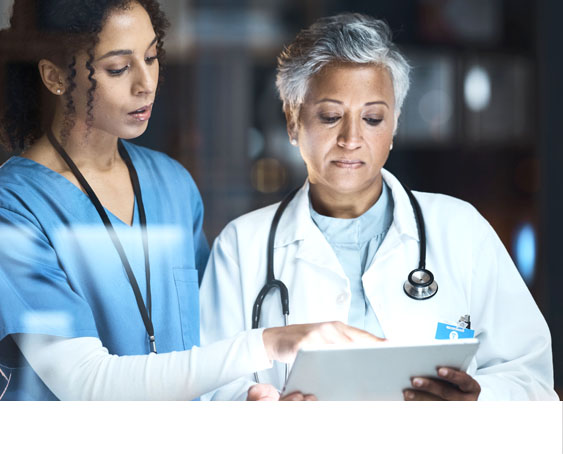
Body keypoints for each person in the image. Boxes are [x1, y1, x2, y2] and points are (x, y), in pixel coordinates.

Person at [0, 0, 380, 401]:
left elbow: (202, 347)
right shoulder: (8, 212)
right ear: (55, 77)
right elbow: (84, 383)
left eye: (152, 57)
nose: (146, 83)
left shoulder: (171, 183)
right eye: (119, 68)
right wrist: (268, 343)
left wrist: (242, 398)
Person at [200, 13, 556, 401]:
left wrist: (476, 401)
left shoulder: (461, 230)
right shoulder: (242, 247)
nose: (351, 138)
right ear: (292, 120)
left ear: (395, 124)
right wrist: (258, 412)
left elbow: (532, 381)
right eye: (331, 116)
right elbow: (207, 388)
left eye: (372, 118)